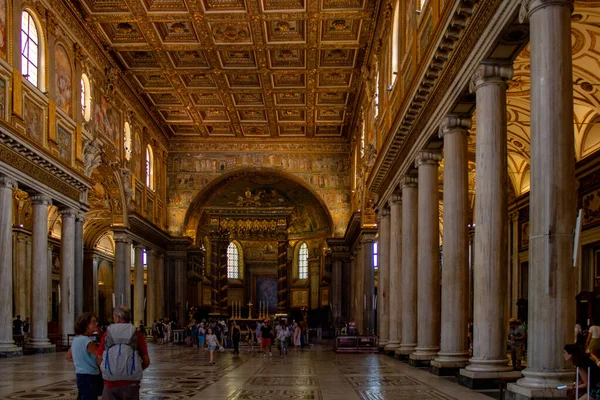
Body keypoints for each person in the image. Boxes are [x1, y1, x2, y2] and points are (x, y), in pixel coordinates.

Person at [98, 306, 150, 400]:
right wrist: (135, 369)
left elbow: (99, 359)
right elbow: (146, 361)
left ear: (117, 318)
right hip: (131, 384)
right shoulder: (137, 334)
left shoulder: (107, 334)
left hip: (110, 383)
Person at [66, 313, 103, 400]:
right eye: (93, 322)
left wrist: (80, 362)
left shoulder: (76, 339)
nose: (96, 324)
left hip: (80, 375)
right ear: (86, 324)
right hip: (90, 376)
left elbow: (68, 356)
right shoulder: (87, 342)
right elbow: (100, 357)